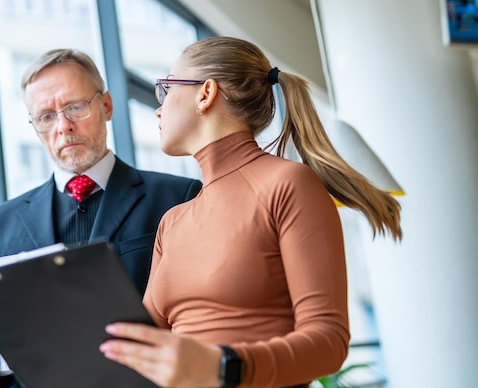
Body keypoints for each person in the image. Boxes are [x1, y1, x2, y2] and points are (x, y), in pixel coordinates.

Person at [99, 36, 402, 387]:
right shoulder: (172, 222)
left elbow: (328, 342)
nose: (158, 108)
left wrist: (223, 365)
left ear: (205, 94)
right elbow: (141, 346)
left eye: (166, 89)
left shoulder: (289, 185)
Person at [0, 48, 203, 388]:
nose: (63, 126)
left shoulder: (178, 197)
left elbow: (203, 310)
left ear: (106, 106)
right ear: (35, 127)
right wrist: (20, 353)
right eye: (46, 116)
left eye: (75, 107)